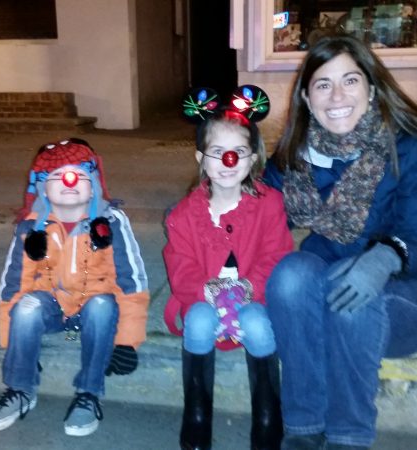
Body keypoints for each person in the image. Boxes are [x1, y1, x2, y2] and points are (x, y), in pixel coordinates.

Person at [262, 35, 417, 450]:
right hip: (327, 282)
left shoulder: (415, 150)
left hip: (405, 297)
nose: (337, 96)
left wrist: (384, 258)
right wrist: (212, 190)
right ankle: (303, 426)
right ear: (307, 99)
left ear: (371, 87)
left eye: (350, 80)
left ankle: (349, 436)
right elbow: (253, 208)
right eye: (323, 85)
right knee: (291, 275)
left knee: (350, 295)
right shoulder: (296, 156)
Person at [0, 138, 149, 437]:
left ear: (94, 183)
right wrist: (13, 345)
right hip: (52, 307)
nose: (69, 181)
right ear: (43, 186)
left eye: (79, 176)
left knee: (101, 305)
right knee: (28, 305)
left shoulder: (110, 223)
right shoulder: (32, 228)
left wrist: (126, 341)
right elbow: (13, 285)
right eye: (58, 176)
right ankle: (20, 389)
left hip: (96, 308)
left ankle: (88, 394)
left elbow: (130, 282)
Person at [164, 85, 294, 450]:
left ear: (252, 159)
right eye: (217, 153)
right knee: (200, 320)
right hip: (202, 299)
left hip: (255, 299)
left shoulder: (269, 205)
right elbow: (180, 263)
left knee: (255, 322)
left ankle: (268, 415)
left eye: (237, 153)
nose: (227, 162)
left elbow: (276, 254)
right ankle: (197, 414)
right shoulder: (184, 214)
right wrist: (204, 291)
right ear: (200, 158)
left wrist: (249, 288)